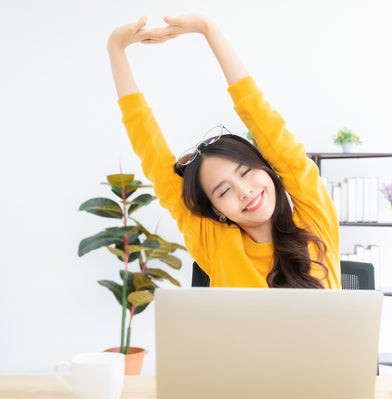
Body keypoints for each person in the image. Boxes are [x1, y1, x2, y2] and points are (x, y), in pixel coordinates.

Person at [107, 14, 341, 289]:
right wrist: (116, 48)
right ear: (216, 210)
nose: (244, 191)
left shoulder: (315, 219)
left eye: (245, 172)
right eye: (223, 191)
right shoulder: (215, 243)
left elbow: (263, 120)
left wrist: (208, 30)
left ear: (267, 168)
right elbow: (152, 152)